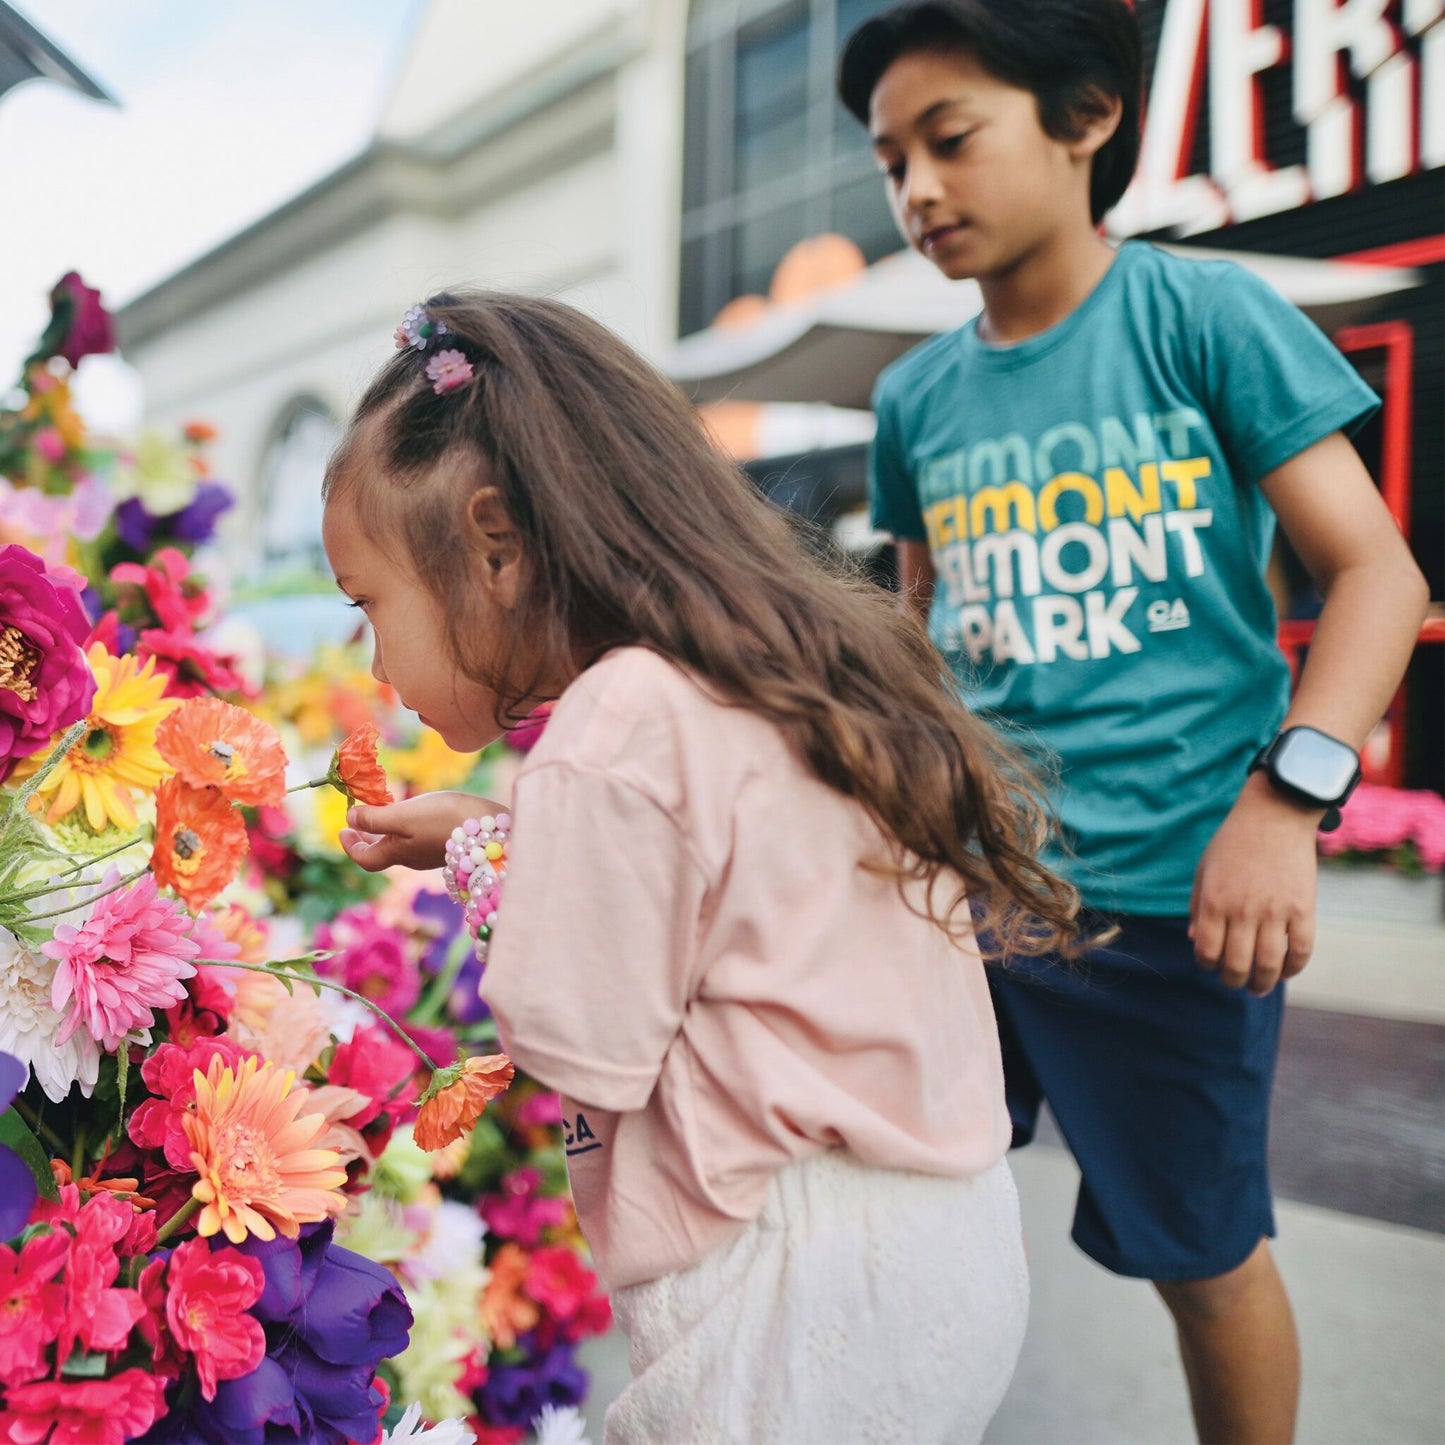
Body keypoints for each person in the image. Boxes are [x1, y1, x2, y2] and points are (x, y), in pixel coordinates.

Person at [323, 290, 1082, 1442]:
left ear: (494, 544)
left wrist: (497, 864)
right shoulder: (759, 669)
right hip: (939, 1245)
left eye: (368, 604)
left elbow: (581, 1036)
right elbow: (727, 914)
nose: (374, 658)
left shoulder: (612, 722)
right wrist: (498, 831)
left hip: (787, 1288)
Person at [837, 3, 1431, 1442]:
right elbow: (924, 644)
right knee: (895, 1210)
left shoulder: (1204, 318)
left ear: (1086, 117)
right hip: (970, 902)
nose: (915, 188)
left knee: (1203, 1260)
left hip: (1179, 905)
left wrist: (1284, 806)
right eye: (888, 159)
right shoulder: (913, 398)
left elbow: (1378, 576)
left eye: (951, 138)